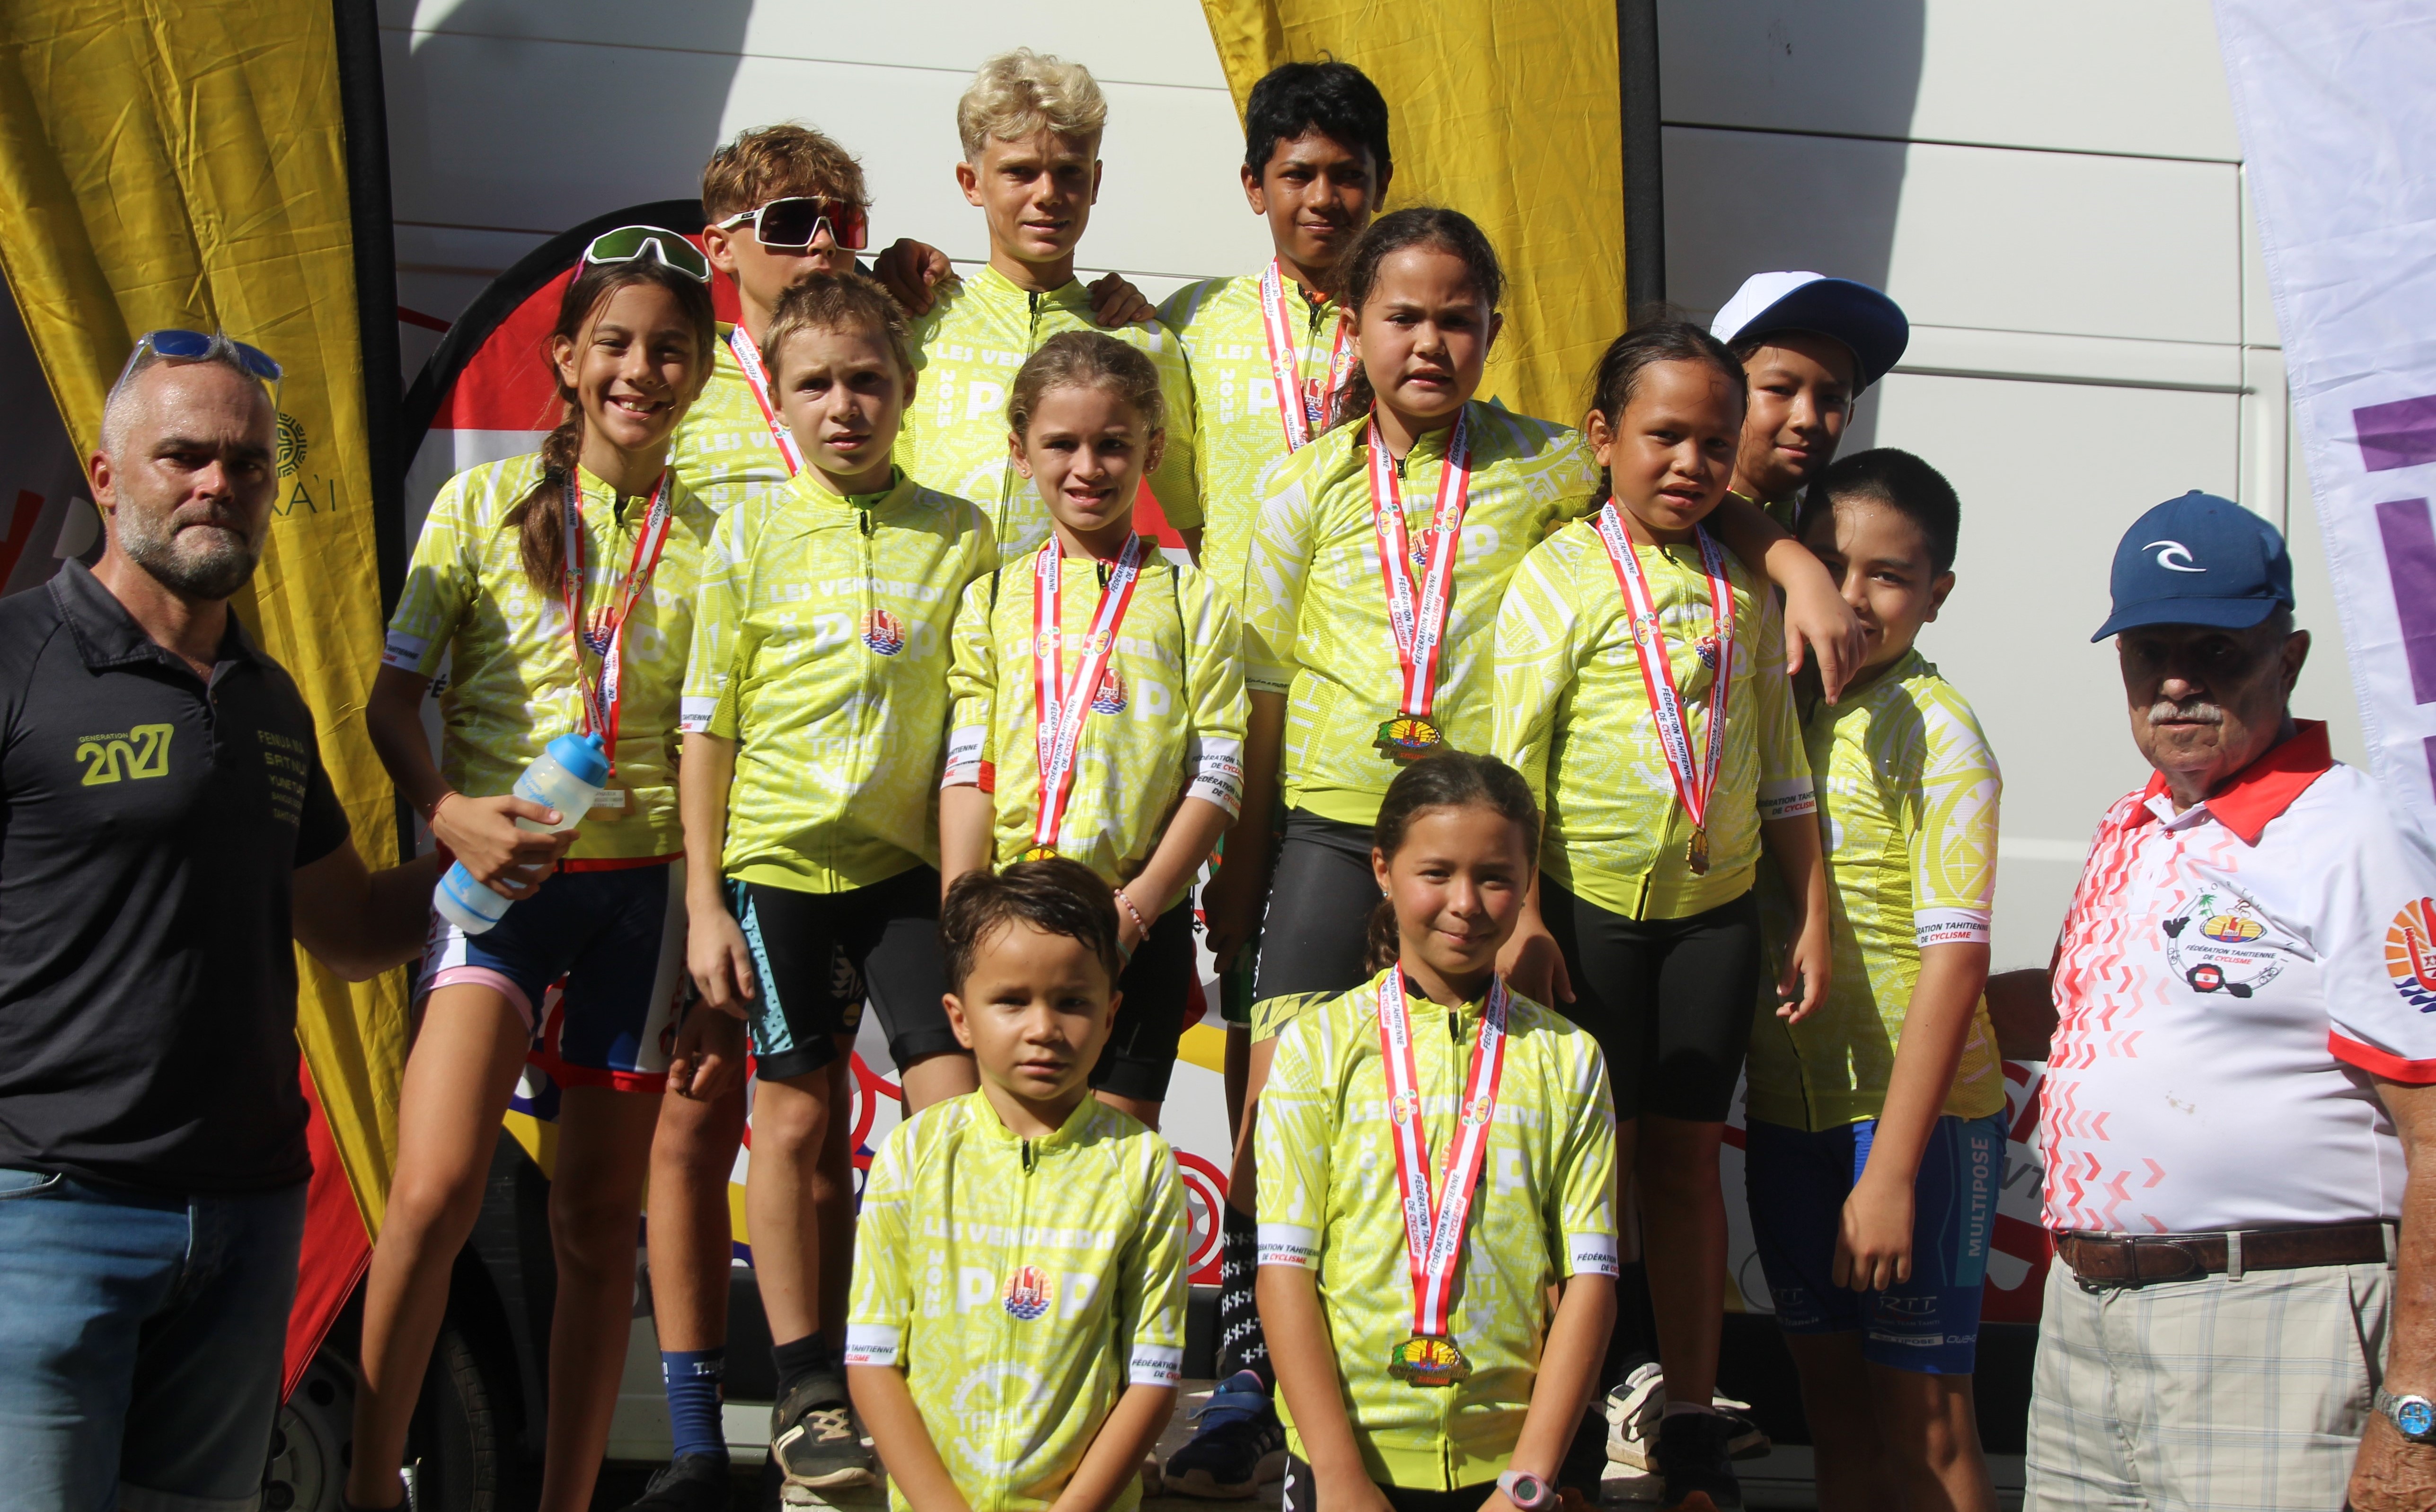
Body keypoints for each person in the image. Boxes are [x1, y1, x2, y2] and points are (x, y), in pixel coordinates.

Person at [0, 331, 432, 1509]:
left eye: (246, 465)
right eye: (183, 456)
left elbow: (345, 928)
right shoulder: (15, 663)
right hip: (45, 1216)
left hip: (244, 1224)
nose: (217, 486)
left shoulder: (268, 701)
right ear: (103, 476)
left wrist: (482, 858)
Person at [352, 233, 721, 1512]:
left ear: (705, 369)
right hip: (499, 889)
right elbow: (391, 703)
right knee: (436, 1185)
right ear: (565, 360)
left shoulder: (717, 538)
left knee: (591, 1226)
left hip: (644, 895)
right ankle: (365, 1480)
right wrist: (448, 812)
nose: (640, 370)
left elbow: (712, 742)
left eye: (670, 348)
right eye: (614, 344)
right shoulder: (476, 503)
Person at [1979, 492, 2436, 1512]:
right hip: (2083, 1322)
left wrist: (2418, 1402)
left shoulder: (2349, 833)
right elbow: (2070, 1015)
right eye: (2152, 650)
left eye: (2217, 650)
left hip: (2279, 1317)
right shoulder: (2133, 823)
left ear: (2291, 655)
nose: (2179, 681)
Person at [648, 271, 1001, 1510]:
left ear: (904, 390)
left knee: (955, 1114)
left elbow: (977, 713)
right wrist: (704, 901)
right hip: (777, 864)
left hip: (905, 868)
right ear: (780, 399)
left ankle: (917, 1360)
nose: (843, 405)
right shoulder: (747, 533)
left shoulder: (960, 530)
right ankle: (805, 1389)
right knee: (793, 1123)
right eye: (816, 384)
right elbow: (708, 732)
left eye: (866, 381)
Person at [1492, 320, 1827, 1512]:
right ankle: (1566, 1416)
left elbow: (1782, 769)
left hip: (1714, 913)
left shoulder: (1742, 588)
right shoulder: (1558, 574)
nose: (1688, 463)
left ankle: (1687, 1411)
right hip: (1584, 916)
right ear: (1603, 439)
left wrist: (1814, 910)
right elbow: (1509, 765)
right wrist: (1521, 913)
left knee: (1685, 1168)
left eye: (1712, 443)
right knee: (1576, 1183)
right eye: (1662, 435)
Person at [1151, 64, 1390, 1489]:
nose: (1322, 198)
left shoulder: (1421, 324)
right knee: (1259, 1059)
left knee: (1388, 1069)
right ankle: (1248, 1359)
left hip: (1383, 748)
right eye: (1295, 174)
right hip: (1241, 736)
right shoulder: (1193, 329)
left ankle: (1359, 1349)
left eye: (1344, 173)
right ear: (1256, 190)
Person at [1741, 449, 2002, 1512]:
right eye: (1831, 565)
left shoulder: (1942, 732)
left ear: (1938, 594)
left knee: (1926, 1431)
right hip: (1790, 1114)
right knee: (1834, 1415)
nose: (1852, 597)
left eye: (1889, 575)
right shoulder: (1776, 689)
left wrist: (1890, 1171)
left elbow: (1958, 962)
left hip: (1914, 1130)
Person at [1256, 751, 1618, 1512]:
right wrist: (1341, 1476)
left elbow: (1591, 1282)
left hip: (1509, 1469)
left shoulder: (1568, 1058)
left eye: (1494, 877)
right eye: (1436, 873)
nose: (1466, 902)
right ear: (1383, 870)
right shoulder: (1318, 1047)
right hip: (1345, 1462)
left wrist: (1527, 1484)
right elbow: (1285, 1271)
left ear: (1527, 886)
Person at [939, 331, 1247, 1131]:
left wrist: (1137, 910)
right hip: (1010, 914)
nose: (1087, 467)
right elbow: (966, 769)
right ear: (1019, 450)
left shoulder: (1193, 601)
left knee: (1116, 1153)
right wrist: (961, 907)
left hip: (1136, 921)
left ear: (1152, 450)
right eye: (1061, 444)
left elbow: (1218, 774)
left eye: (1113, 444)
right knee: (1011, 1149)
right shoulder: (992, 597)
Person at [846, 859, 1190, 1512]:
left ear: (1112, 1014)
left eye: (1072, 1002)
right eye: (1010, 1001)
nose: (1043, 1029)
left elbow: (1153, 1378)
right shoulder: (913, 1156)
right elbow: (872, 1361)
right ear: (960, 1017)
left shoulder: (1143, 1168)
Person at [893, 49, 1201, 556]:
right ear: (972, 183)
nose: (1049, 194)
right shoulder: (918, 322)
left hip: (1084, 631)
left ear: (1095, 182)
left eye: (1069, 172)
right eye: (1020, 172)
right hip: (937, 629)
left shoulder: (1141, 339)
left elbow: (1197, 526)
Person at [1705, 271, 1910, 535]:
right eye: (1780, 389)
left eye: (1832, 399)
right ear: (1719, 396)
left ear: (1849, 417)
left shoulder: (1841, 551)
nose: (1808, 419)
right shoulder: (1656, 536)